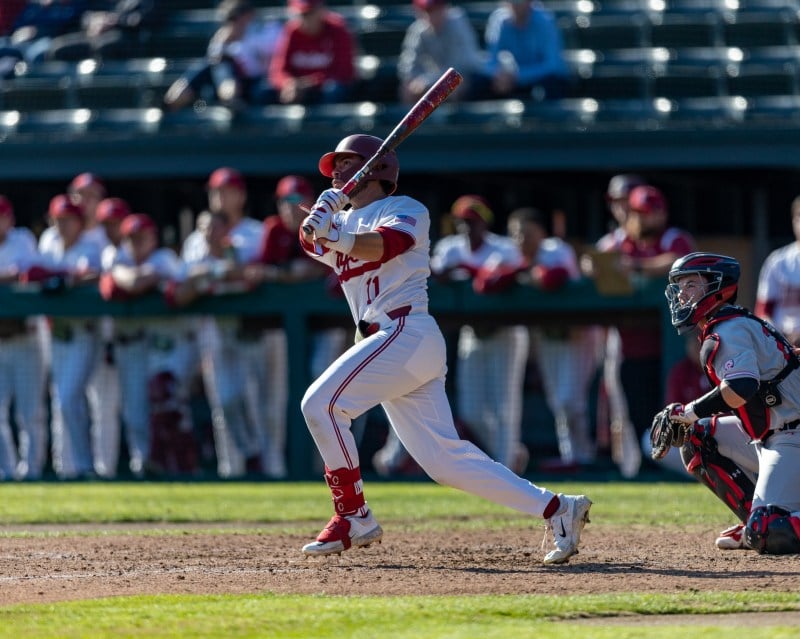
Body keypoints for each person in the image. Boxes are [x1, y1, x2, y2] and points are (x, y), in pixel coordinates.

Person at [297, 132, 592, 564]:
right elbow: (312, 243)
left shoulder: (406, 209)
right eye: (335, 165)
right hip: (387, 343)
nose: (338, 171)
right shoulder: (343, 222)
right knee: (444, 461)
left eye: (346, 163)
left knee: (320, 405)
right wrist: (316, 221)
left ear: (374, 169)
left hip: (405, 331)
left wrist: (331, 231)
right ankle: (559, 508)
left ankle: (353, 514)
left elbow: (384, 246)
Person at [651, 252, 800, 554]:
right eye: (680, 285)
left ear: (717, 287)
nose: (682, 294)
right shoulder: (727, 324)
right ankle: (756, 521)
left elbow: (741, 388)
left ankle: (764, 523)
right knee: (697, 437)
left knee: (770, 534)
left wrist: (688, 411)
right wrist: (691, 419)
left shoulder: (729, 329)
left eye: (691, 284)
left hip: (792, 436)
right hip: (772, 433)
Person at [430, 194, 529, 473]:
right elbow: (433, 272)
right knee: (470, 409)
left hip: (505, 332)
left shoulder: (503, 248)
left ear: (484, 223)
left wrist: (466, 270)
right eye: (461, 222)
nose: (466, 229)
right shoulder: (450, 247)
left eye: (472, 222)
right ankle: (512, 451)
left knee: (505, 405)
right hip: (472, 332)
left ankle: (505, 466)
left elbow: (506, 274)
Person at [496, 206, 599, 469]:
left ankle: (582, 455)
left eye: (526, 234)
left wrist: (526, 273)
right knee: (558, 401)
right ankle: (572, 456)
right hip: (549, 336)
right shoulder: (513, 254)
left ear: (541, 233)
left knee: (570, 400)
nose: (521, 240)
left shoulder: (555, 249)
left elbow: (554, 278)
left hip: (577, 333)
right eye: (516, 235)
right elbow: (489, 281)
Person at [99, 213, 199, 477]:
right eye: (132, 239)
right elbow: (126, 283)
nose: (136, 244)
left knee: (169, 405)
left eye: (142, 238)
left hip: (172, 342)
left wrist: (129, 276)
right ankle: (143, 466)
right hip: (132, 344)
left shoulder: (164, 258)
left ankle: (179, 466)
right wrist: (130, 276)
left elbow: (138, 282)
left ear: (153, 238)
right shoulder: (116, 256)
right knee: (134, 412)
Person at [182, 167, 264, 478]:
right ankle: (233, 469)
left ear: (241, 195)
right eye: (215, 192)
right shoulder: (196, 240)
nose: (220, 197)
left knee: (259, 403)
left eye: (226, 191)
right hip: (214, 327)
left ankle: (270, 468)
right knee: (223, 402)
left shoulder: (254, 232)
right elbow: (187, 277)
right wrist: (221, 271)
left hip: (252, 327)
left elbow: (253, 274)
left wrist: (216, 272)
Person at [581, 173, 647, 478]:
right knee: (619, 406)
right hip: (620, 335)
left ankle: (648, 463)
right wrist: (590, 266)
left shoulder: (652, 238)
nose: (622, 208)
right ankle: (630, 466)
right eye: (617, 202)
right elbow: (589, 263)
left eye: (626, 200)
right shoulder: (613, 241)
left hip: (655, 334)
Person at [33, 194, 102, 480]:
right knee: (61, 400)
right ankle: (67, 467)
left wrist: (68, 279)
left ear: (79, 222)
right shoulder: (47, 241)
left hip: (84, 332)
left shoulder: (90, 244)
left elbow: (93, 274)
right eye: (58, 220)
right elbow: (33, 272)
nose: (63, 225)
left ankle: (85, 465)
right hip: (54, 333)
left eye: (69, 220)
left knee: (70, 399)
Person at [0, 195, 47, 481]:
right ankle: (5, 470)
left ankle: (32, 470)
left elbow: (26, 274)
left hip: (26, 338)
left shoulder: (22, 239)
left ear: (9, 218)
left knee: (30, 412)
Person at [164, 0, 282, 111]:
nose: (234, 24)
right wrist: (222, 44)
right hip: (225, 87)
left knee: (218, 65)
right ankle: (173, 100)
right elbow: (215, 64)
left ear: (249, 15)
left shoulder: (268, 31)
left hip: (257, 86)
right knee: (208, 65)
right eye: (231, 20)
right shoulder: (223, 39)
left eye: (236, 18)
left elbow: (259, 69)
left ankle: (230, 99)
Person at [397, 0, 486, 104]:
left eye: (436, 9)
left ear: (444, 8)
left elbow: (458, 67)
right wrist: (415, 81)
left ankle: (454, 120)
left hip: (470, 76)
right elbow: (408, 66)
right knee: (407, 87)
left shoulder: (457, 23)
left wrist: (426, 81)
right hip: (437, 78)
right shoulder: (419, 29)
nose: (432, 14)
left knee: (453, 86)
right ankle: (415, 120)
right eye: (428, 10)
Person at [268, 0, 355, 105]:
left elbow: (344, 73)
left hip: (324, 89)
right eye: (300, 15)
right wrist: (288, 83)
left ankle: (328, 122)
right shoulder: (292, 31)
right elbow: (277, 70)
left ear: (321, 10)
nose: (304, 19)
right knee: (265, 91)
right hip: (297, 89)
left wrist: (310, 82)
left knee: (333, 89)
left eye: (309, 13)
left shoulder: (338, 29)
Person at [483, 0, 571, 101]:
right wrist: (501, 75)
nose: (516, 6)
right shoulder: (499, 20)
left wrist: (518, 76)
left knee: (552, 84)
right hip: (515, 81)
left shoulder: (545, 20)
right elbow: (490, 62)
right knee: (484, 84)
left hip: (544, 79)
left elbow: (553, 65)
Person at [44, 0, 160, 62]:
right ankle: (64, 96)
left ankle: (104, 95)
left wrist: (114, 21)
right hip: (96, 33)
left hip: (128, 37)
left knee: (104, 47)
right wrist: (94, 21)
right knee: (57, 46)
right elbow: (86, 13)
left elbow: (145, 19)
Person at [755, 195, 800, 347]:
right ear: (793, 221)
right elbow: (762, 311)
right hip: (783, 345)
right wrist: (779, 337)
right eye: (799, 217)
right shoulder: (778, 261)